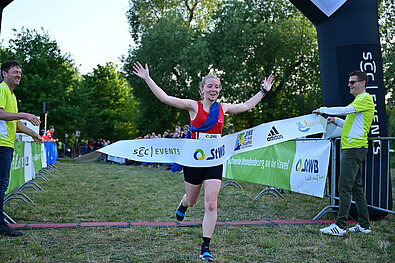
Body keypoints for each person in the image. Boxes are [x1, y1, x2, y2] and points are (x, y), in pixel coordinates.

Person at [133, 61, 274, 261]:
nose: (213, 90)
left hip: (215, 161)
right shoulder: (193, 106)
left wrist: (263, 90)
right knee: (192, 200)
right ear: (202, 89)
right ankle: (183, 203)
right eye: (210, 86)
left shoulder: (223, 108)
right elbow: (165, 98)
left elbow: (246, 106)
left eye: (217, 87)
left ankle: (205, 246)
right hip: (194, 161)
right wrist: (147, 78)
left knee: (211, 204)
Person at [313, 70, 374, 236]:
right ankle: (364, 226)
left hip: (353, 149)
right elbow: (350, 124)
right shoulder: (360, 102)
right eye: (349, 82)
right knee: (356, 188)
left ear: (363, 83)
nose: (349, 85)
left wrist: (324, 110)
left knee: (344, 187)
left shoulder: (364, 99)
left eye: (352, 82)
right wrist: (336, 121)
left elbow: (345, 110)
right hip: (355, 148)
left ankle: (340, 226)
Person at [0, 60, 43, 237]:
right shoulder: (2, 88)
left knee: (2, 185)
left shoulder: (12, 95)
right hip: (1, 145)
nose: (19, 75)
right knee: (1, 186)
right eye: (15, 71)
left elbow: (15, 122)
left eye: (20, 72)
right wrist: (25, 114)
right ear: (4, 73)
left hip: (7, 145)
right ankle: (0, 226)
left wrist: (32, 133)